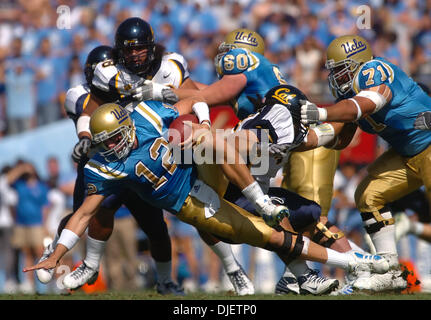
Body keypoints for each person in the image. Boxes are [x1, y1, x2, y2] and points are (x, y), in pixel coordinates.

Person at [23, 101, 389, 283]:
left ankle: (262, 199)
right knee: (273, 238)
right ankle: (356, 263)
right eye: (107, 142)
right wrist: (58, 252)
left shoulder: (146, 117)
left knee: (209, 137)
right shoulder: (104, 166)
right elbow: (85, 213)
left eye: (117, 136)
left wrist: (197, 120)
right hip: (195, 204)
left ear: (125, 124)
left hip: (200, 168)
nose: (115, 146)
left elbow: (192, 103)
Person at [45, 17, 254, 296]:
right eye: (128, 50)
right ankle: (87, 264)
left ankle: (232, 269)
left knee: (195, 213)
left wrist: (225, 98)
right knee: (95, 209)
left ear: (151, 47)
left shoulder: (170, 66)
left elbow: (196, 95)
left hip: (161, 153)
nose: (134, 55)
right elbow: (88, 108)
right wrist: (85, 138)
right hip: (120, 156)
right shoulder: (108, 73)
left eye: (140, 48)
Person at [173, 28, 350, 294]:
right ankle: (322, 271)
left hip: (263, 144)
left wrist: (172, 103)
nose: (224, 60)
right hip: (265, 146)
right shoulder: (266, 87)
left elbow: (205, 96)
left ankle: (310, 273)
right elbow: (204, 92)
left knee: (300, 212)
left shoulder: (248, 70)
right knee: (297, 211)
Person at [299, 34, 431, 291]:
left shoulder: (373, 71)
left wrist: (321, 111)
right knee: (369, 194)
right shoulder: (348, 97)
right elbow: (338, 136)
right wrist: (297, 140)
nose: (335, 77)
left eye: (340, 70)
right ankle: (390, 271)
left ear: (357, 63)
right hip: (407, 154)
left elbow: (366, 104)